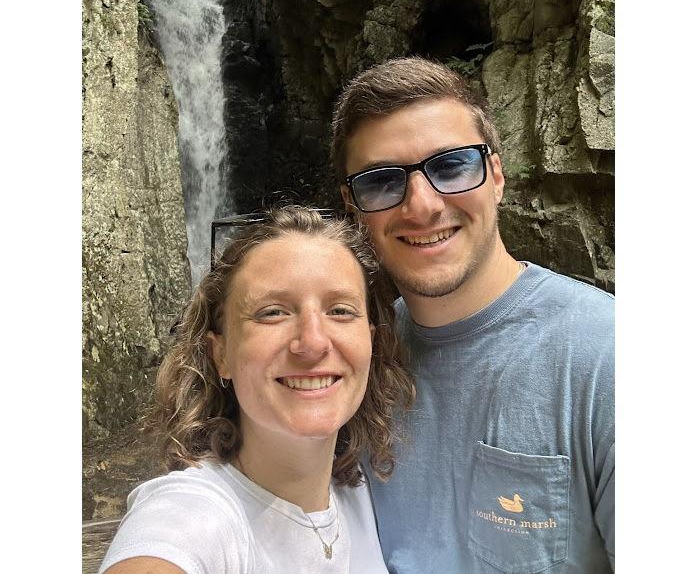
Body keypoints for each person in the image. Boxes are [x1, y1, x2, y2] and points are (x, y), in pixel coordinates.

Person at [331, 57, 614, 573]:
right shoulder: (351, 360)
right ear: (353, 206)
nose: (421, 206)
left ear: (496, 176)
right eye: (381, 181)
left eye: (451, 166)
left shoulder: (607, 354)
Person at [99, 206, 414, 574]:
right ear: (221, 354)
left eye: (341, 310)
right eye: (272, 312)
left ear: (370, 343)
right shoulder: (194, 514)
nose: (313, 342)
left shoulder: (363, 493)